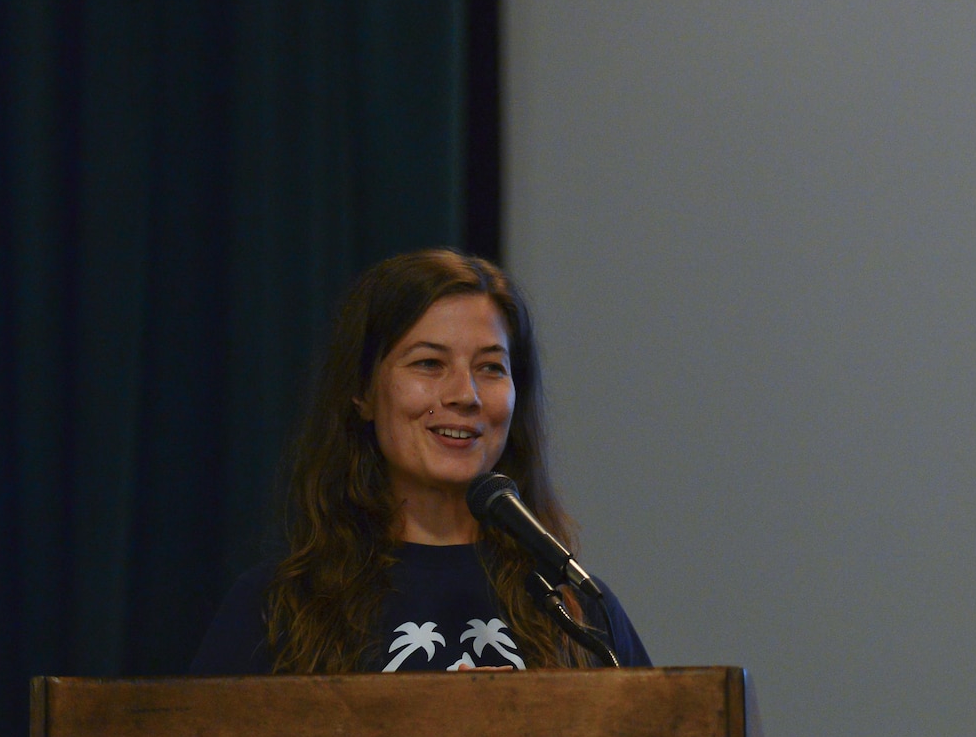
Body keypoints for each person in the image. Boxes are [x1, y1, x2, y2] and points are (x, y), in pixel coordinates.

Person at [189, 248, 648, 674]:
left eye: (491, 367)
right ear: (363, 391)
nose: (464, 396)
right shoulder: (275, 609)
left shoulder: (577, 611)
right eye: (429, 363)